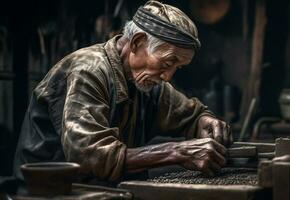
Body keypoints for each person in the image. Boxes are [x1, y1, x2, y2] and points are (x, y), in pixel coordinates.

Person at [13, 1, 233, 184]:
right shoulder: (89, 70)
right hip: (48, 192)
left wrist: (205, 121)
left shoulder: (148, 81)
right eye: (168, 62)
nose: (168, 76)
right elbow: (92, 156)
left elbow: (190, 116)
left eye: (178, 67)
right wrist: (177, 152)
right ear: (137, 42)